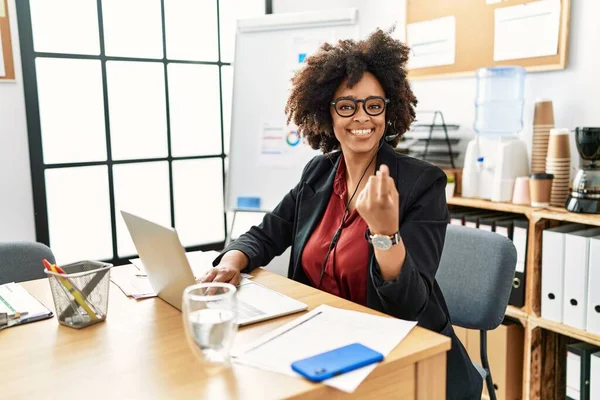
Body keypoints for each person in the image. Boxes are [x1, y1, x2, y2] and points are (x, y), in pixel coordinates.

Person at [201, 29, 482, 399]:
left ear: (389, 108)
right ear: (326, 113)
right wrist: (233, 262)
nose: (361, 117)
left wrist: (385, 234)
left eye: (373, 105)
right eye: (347, 106)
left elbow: (409, 305)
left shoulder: (421, 184)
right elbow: (268, 232)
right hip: (325, 346)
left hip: (408, 362)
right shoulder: (318, 173)